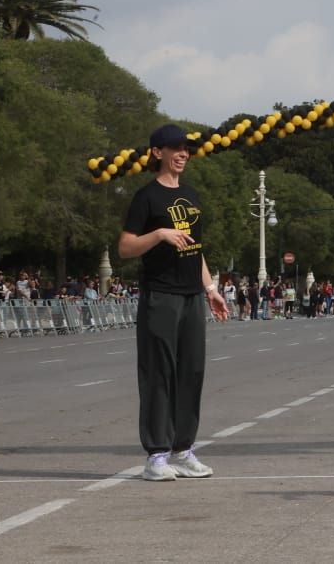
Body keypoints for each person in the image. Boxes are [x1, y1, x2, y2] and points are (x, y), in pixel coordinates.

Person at [118, 123, 229, 482]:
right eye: (176, 148)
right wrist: (160, 234)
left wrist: (210, 288)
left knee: (191, 373)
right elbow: (125, 248)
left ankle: (184, 450)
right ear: (157, 153)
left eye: (187, 149)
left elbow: (196, 250)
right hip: (160, 295)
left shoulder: (192, 195)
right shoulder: (146, 197)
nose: (183, 154)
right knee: (159, 374)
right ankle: (157, 455)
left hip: (191, 296)